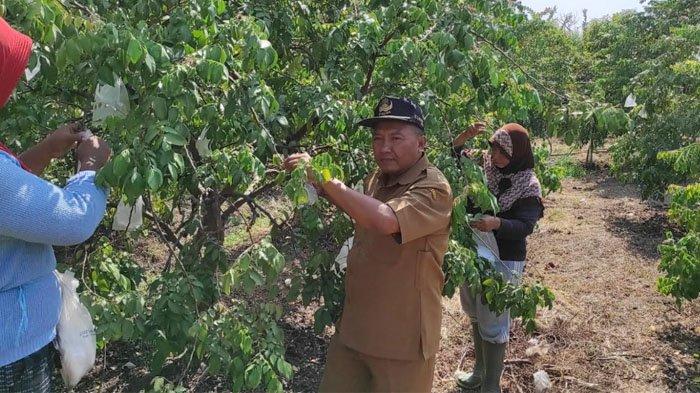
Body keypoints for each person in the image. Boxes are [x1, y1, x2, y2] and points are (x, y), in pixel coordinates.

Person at [284, 97, 453, 392]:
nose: (384, 147)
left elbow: (386, 220)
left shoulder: (433, 187)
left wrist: (325, 179)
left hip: (402, 342)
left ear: (422, 143)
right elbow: (362, 212)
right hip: (355, 330)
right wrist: (320, 190)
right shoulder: (377, 177)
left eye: (396, 138)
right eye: (378, 138)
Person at [0, 17, 111, 392]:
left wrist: (46, 150)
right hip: (10, 351)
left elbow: (9, 197)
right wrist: (90, 169)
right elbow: (73, 223)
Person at [451, 122, 544, 393]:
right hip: (475, 252)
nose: (495, 157)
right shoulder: (484, 169)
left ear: (517, 154)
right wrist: (463, 137)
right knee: (476, 313)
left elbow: (525, 227)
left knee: (495, 317)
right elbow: (454, 158)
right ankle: (479, 372)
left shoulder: (528, 185)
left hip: (504, 258)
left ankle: (491, 386)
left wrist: (497, 223)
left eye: (503, 152)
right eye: (493, 149)